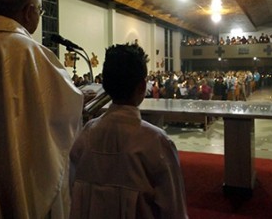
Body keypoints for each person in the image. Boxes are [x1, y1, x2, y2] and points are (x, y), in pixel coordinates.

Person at [0, 0, 84, 218]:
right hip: (7, 163)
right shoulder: (25, 49)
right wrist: (79, 98)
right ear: (28, 12)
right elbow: (60, 109)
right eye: (40, 10)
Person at [69, 44, 188, 218]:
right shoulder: (156, 142)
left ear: (105, 86)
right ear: (141, 86)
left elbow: (74, 191)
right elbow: (173, 210)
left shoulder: (86, 134)